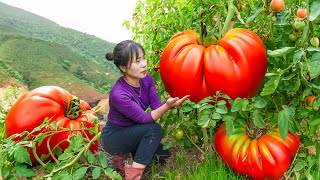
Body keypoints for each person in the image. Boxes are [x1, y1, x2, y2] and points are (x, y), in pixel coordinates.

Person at [101, 40, 189, 180]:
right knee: (154, 129)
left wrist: (170, 102)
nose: (144, 64)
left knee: (163, 154)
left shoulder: (147, 79)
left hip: (133, 130)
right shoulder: (119, 94)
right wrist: (167, 105)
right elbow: (145, 119)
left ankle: (132, 154)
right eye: (137, 61)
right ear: (124, 67)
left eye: (144, 58)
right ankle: (132, 175)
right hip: (115, 137)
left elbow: (155, 106)